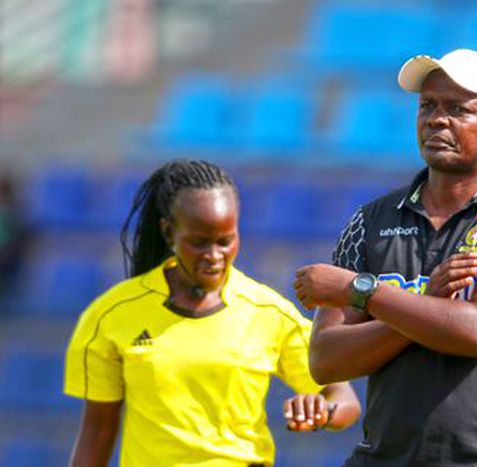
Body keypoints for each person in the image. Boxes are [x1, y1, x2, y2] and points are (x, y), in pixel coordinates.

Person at [294, 49, 477, 466]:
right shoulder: (369, 222)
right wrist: (425, 304)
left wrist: (362, 291)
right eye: (428, 106)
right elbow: (326, 361)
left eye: (458, 109)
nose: (437, 119)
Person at [64, 159, 361, 467]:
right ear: (169, 232)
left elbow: (346, 400)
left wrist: (322, 412)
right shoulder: (112, 315)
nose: (214, 255)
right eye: (199, 243)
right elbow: (98, 431)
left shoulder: (267, 311)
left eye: (225, 241)